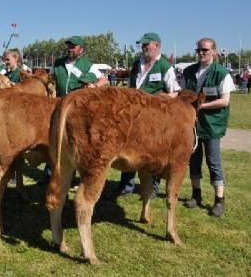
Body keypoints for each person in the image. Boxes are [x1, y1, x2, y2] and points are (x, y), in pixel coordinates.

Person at [116, 32, 180, 198]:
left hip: (154, 118)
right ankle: (126, 185)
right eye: (142, 45)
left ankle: (153, 187)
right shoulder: (138, 63)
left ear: (157, 46)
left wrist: (161, 98)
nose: (143, 47)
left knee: (152, 152)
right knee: (128, 148)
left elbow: (176, 93)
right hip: (133, 115)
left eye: (146, 44)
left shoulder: (165, 66)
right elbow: (132, 86)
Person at [38, 36, 108, 185]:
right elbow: (50, 78)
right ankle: (50, 174)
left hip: (77, 108)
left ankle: (73, 176)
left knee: (74, 141)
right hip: (58, 105)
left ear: (81, 50)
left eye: (73, 47)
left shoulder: (87, 64)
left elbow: (103, 80)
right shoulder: (58, 63)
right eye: (69, 46)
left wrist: (94, 86)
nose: (70, 49)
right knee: (54, 138)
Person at [181, 37, 234, 217]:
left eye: (205, 50)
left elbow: (224, 100)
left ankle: (219, 201)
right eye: (199, 50)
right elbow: (182, 94)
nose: (201, 53)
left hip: (212, 125)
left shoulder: (221, 73)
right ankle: (196, 195)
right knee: (193, 160)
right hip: (192, 124)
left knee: (213, 161)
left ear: (214, 51)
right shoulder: (189, 71)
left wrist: (200, 106)